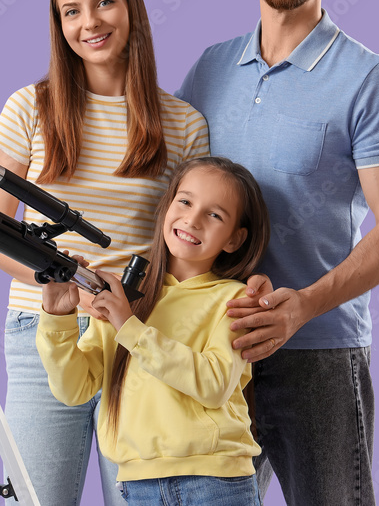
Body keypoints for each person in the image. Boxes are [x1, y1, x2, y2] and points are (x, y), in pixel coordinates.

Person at [176, 0, 379, 505]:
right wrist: (34, 131)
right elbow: (157, 175)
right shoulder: (210, 67)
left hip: (315, 354)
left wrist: (301, 308)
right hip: (209, 349)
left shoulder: (368, 79)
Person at [0, 0, 210, 506]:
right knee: (38, 499)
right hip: (42, 331)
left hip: (137, 337)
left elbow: (188, 249)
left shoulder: (183, 124)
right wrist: (58, 284)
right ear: (59, 26)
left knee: (139, 497)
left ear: (130, 7)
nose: (90, 23)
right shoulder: (29, 107)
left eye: (104, 2)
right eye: (71, 11)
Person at [36, 156, 269, 506]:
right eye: (186, 201)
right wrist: (58, 320)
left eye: (214, 214)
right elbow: (74, 389)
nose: (192, 219)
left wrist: (128, 326)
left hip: (214, 482)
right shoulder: (124, 298)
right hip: (137, 484)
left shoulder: (234, 300)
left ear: (235, 239)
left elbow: (214, 384)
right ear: (167, 206)